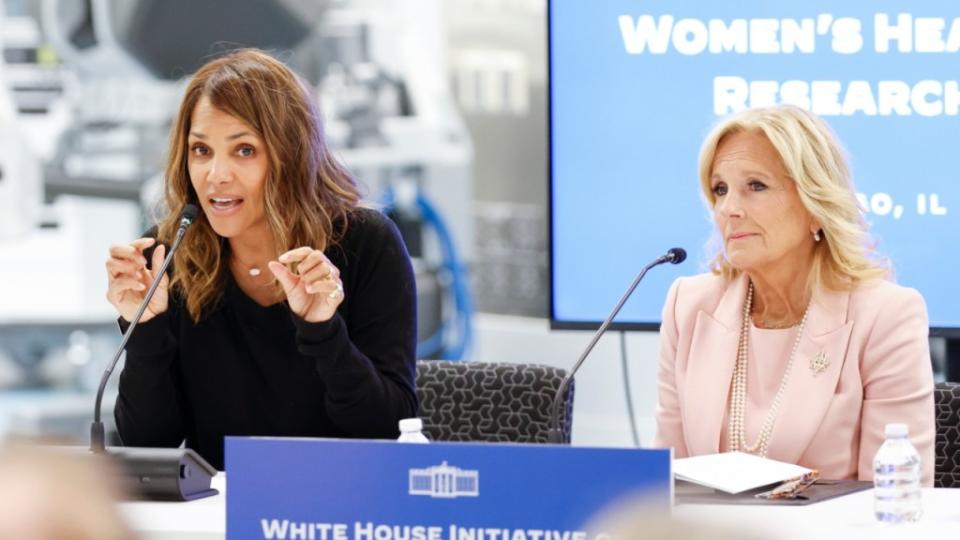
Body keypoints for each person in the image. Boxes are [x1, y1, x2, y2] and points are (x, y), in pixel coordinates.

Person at [105, 49, 417, 470]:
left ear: (290, 155)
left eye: (244, 150)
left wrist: (323, 331)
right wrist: (144, 328)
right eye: (201, 150)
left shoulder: (365, 244)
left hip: (340, 508)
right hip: (216, 519)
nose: (216, 175)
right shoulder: (169, 254)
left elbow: (389, 429)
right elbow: (148, 442)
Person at [653, 105, 935, 484]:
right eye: (720, 189)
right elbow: (661, 490)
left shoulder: (886, 315)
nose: (729, 209)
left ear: (815, 206)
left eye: (756, 186)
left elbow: (895, 503)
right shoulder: (688, 306)